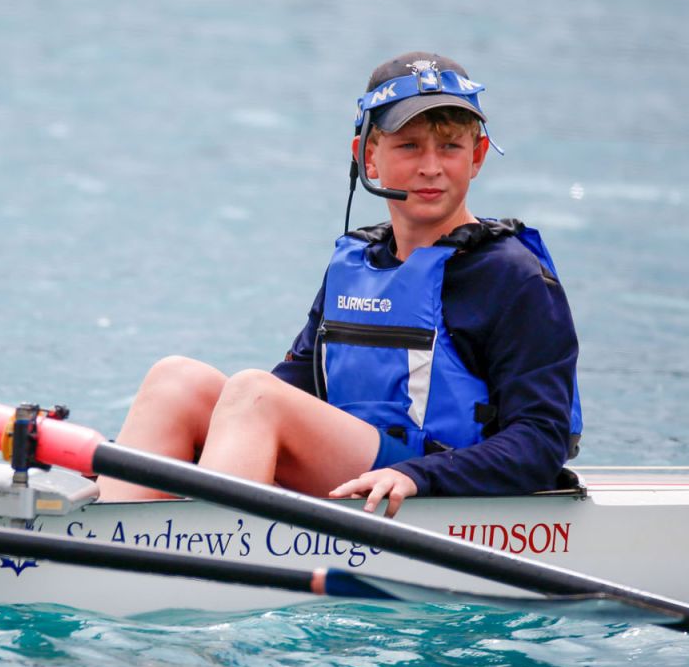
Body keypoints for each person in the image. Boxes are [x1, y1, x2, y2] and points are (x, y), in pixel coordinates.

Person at [96, 51, 580, 518]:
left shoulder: (514, 277)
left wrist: (422, 476)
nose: (431, 166)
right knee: (176, 379)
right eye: (409, 145)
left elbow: (541, 441)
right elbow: (292, 390)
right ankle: (105, 535)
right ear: (368, 157)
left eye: (450, 146)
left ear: (475, 157)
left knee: (254, 394)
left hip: (437, 490)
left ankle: (204, 562)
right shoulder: (356, 263)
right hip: (353, 477)